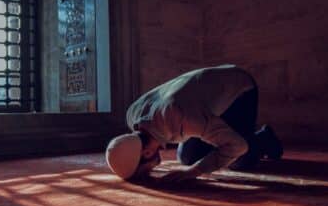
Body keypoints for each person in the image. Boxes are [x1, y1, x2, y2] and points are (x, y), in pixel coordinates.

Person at [105, 64, 283, 182]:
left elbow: (237, 146)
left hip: (238, 90)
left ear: (147, 151)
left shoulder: (183, 118)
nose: (151, 173)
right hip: (201, 105)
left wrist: (193, 173)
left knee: (239, 159)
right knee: (187, 158)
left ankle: (264, 138)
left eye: (146, 171)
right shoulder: (132, 114)